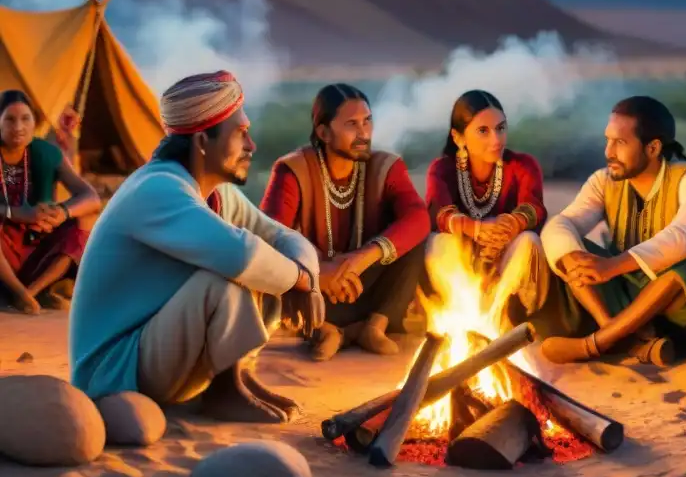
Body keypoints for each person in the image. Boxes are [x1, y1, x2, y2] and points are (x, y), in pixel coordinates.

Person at [69, 71, 325, 423]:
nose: (252, 147)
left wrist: (305, 277)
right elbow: (241, 254)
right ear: (203, 141)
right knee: (227, 276)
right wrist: (299, 280)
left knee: (271, 267)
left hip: (156, 358)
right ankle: (223, 391)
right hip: (114, 369)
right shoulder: (157, 189)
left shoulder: (217, 194)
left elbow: (283, 238)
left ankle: (239, 377)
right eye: (241, 134)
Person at [539, 96, 686, 366]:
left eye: (620, 142)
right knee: (571, 249)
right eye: (608, 140)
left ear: (653, 148)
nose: (608, 152)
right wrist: (573, 257)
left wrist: (612, 266)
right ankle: (621, 334)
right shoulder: (603, 182)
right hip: (628, 302)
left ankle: (597, 344)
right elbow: (560, 224)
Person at [261, 83, 430, 360]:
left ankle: (374, 327)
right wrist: (318, 274)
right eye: (352, 124)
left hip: (366, 287)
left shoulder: (386, 167)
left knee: (415, 238)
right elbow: (269, 232)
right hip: (317, 290)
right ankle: (325, 329)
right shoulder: (292, 170)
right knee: (266, 265)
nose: (364, 133)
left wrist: (361, 258)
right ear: (324, 132)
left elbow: (417, 216)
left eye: (367, 121)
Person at [424, 90, 550, 331]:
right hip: (461, 263)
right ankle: (461, 320)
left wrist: (510, 226)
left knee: (530, 241)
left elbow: (534, 208)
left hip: (506, 264)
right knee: (440, 243)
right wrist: (477, 230)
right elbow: (438, 214)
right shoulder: (442, 169)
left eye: (501, 128)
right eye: (484, 131)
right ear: (458, 137)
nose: (497, 139)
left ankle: (501, 319)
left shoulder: (523, 165)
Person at [0, 90, 101, 314]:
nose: (18, 127)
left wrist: (62, 213)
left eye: (25, 119)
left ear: (35, 122)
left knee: (84, 218)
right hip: (4, 250)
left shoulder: (45, 153)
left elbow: (91, 197)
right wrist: (15, 213)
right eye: (10, 119)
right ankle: (18, 293)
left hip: (36, 241)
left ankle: (32, 293)